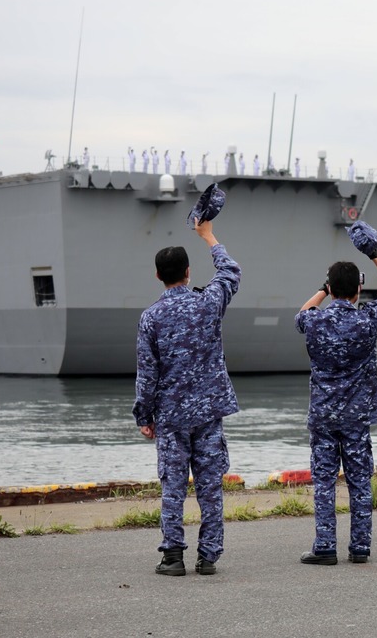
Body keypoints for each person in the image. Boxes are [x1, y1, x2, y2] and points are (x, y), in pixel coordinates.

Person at [133, 218, 241, 577]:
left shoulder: (151, 318)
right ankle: (208, 557)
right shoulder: (209, 302)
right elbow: (230, 272)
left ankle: (173, 557)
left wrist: (143, 416)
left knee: (173, 488)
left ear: (157, 276)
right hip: (209, 412)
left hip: (171, 416)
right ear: (188, 272)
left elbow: (147, 373)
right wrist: (209, 236)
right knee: (210, 488)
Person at [296, 223, 377, 565]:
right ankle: (360, 547)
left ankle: (325, 546)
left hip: (324, 415)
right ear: (359, 289)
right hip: (357, 416)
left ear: (330, 287)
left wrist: (323, 290)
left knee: (325, 482)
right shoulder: (368, 318)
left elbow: (302, 312)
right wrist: (373, 254)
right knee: (359, 481)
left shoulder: (313, 322)